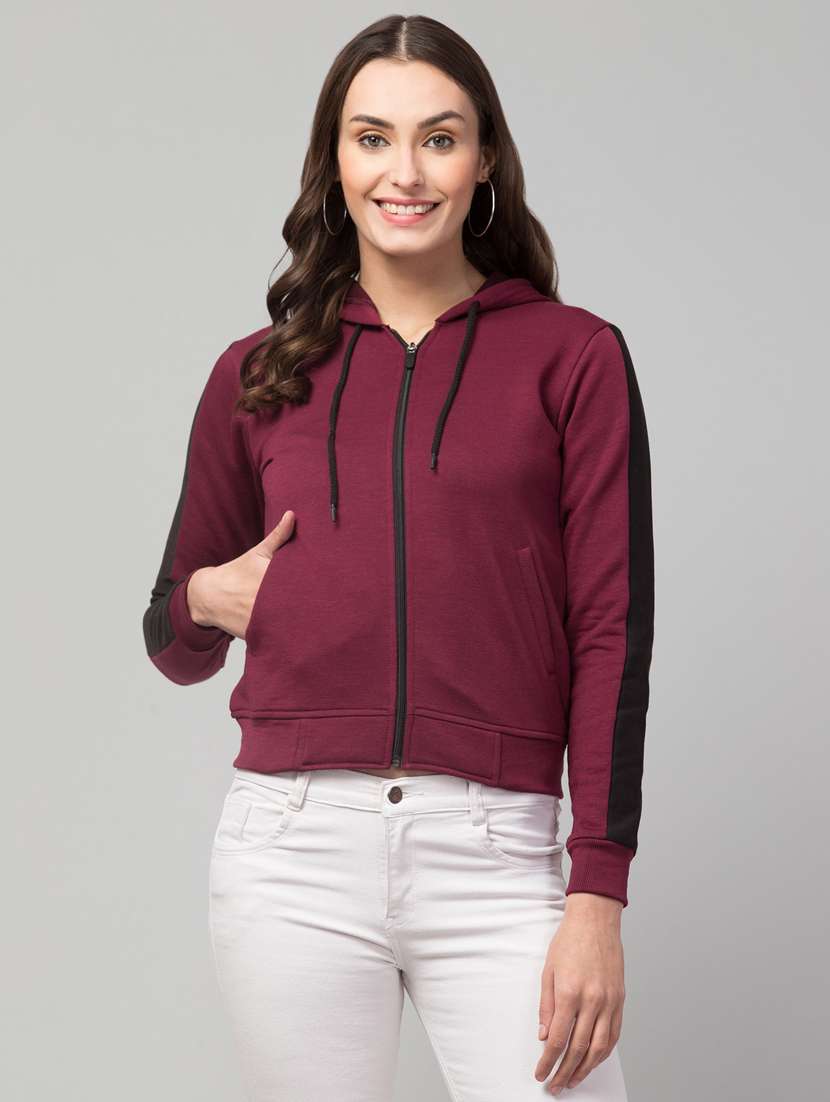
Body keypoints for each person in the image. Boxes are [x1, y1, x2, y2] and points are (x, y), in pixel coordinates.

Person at [142, 14, 654, 1101]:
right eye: (372, 138)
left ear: (484, 161)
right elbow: (170, 637)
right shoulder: (257, 374)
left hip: (499, 852)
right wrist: (204, 599)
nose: (405, 172)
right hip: (291, 850)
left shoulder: (573, 359)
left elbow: (611, 631)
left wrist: (596, 894)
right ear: (335, 162)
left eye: (439, 138)